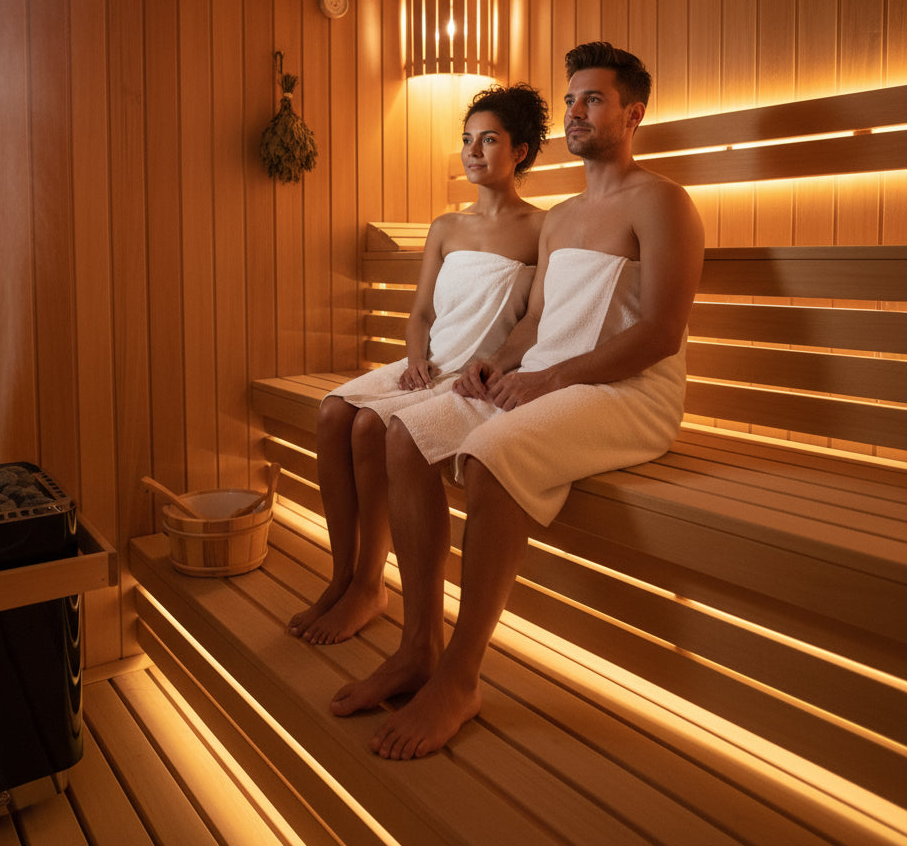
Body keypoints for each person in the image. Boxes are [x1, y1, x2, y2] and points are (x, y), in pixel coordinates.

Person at [330, 42, 705, 759]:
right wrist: (492, 363)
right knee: (405, 434)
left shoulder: (662, 202)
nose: (576, 111)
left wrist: (548, 379)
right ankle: (418, 644)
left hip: (629, 394)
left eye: (593, 100)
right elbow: (535, 323)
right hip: (551, 382)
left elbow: (660, 332)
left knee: (490, 453)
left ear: (634, 114)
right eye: (571, 99)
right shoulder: (561, 219)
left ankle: (461, 679)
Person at [287, 83, 551, 644]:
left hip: (477, 373)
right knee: (333, 411)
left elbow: (537, 321)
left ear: (520, 152)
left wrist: (492, 365)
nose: (472, 151)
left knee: (367, 424)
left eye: (488, 140)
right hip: (428, 363)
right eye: (466, 140)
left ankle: (370, 586)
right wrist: (413, 363)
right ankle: (346, 578)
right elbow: (421, 315)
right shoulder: (446, 227)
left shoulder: (540, 230)